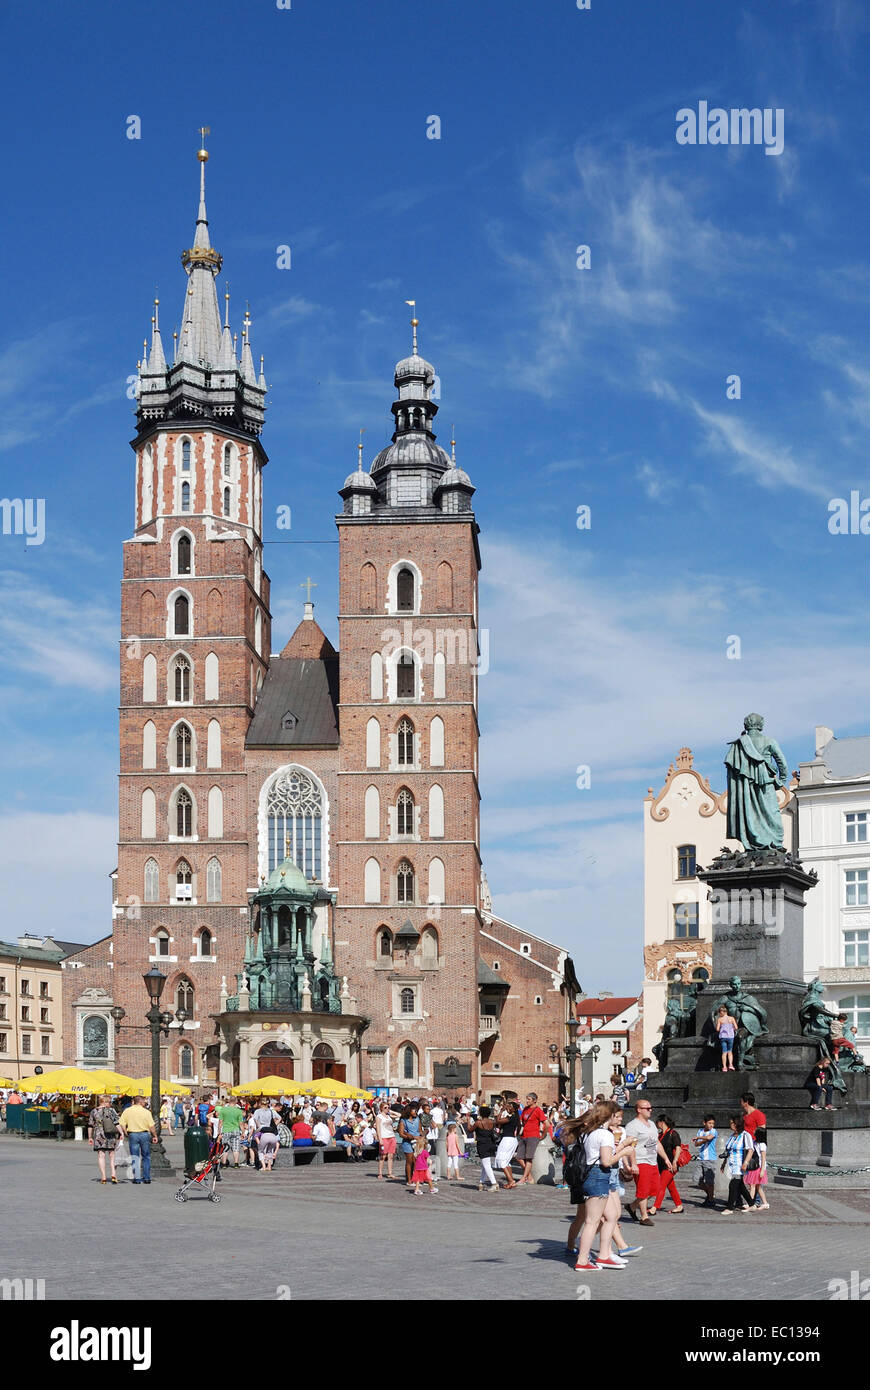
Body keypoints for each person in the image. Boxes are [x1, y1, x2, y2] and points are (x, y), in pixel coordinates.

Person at [567, 1101, 639, 1272]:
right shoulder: (605, 1134)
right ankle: (582, 1260)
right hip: (598, 1175)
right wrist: (624, 1152)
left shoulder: (592, 1132)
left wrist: (621, 1147)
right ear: (610, 1115)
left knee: (612, 1215)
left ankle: (604, 1255)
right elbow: (606, 1161)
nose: (618, 1119)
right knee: (592, 1221)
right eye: (616, 1115)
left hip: (595, 1176)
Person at [624, 1097, 671, 1226]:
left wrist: (666, 1158)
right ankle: (644, 1217)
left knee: (654, 1190)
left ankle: (632, 1206)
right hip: (640, 1160)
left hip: (652, 1161)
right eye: (647, 1108)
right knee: (643, 1190)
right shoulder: (632, 1126)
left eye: (651, 1108)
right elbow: (630, 1146)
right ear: (639, 1110)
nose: (650, 1110)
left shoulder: (652, 1125)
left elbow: (656, 1143)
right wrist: (633, 1163)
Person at [118, 1098, 158, 1185]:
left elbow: (122, 1123)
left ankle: (137, 1178)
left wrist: (125, 1132)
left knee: (135, 1156)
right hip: (144, 1134)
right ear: (140, 1102)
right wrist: (155, 1135)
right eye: (144, 1102)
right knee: (146, 1156)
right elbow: (151, 1126)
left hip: (133, 1134)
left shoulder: (127, 1111)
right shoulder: (146, 1112)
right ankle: (147, 1178)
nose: (145, 1103)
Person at [721, 1115, 754, 1213]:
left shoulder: (745, 1135)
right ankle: (752, 1204)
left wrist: (745, 1163)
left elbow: (750, 1150)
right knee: (740, 1186)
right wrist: (724, 1163)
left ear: (737, 1124)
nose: (730, 1124)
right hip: (731, 1164)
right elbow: (728, 1151)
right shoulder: (732, 1136)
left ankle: (729, 1207)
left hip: (739, 1165)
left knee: (733, 1185)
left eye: (732, 1123)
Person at [652, 1114, 684, 1214]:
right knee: (671, 1186)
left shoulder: (673, 1133)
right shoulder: (660, 1135)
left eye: (657, 1122)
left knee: (661, 1185)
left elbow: (678, 1147)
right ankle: (679, 1206)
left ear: (662, 1122)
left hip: (670, 1164)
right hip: (661, 1164)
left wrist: (675, 1161)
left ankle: (655, 1207)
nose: (656, 1124)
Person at [88, 1094, 122, 1185]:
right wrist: (121, 1133)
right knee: (112, 1155)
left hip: (99, 1135)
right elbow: (117, 1123)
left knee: (101, 1155)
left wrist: (90, 1137)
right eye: (109, 1102)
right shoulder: (111, 1111)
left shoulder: (94, 1111)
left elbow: (90, 1125)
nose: (110, 1104)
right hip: (110, 1134)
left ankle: (103, 1177)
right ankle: (113, 1174)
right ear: (105, 1102)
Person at [517, 1092, 547, 1184]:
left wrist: (543, 1135)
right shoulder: (525, 1109)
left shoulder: (538, 1110)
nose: (527, 1101)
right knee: (519, 1157)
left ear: (534, 1100)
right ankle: (529, 1177)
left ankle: (523, 1178)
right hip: (523, 1136)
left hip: (533, 1136)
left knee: (528, 1158)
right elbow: (521, 1120)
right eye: (527, 1099)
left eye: (529, 1099)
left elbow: (547, 1124)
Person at [469, 1106, 499, 1190]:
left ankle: (494, 1183)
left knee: (486, 1165)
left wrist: (468, 1121)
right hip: (490, 1143)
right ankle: (481, 1182)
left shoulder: (478, 1123)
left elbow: (470, 1130)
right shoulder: (492, 1122)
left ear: (481, 1113)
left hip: (482, 1144)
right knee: (485, 1164)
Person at [494, 1098, 520, 1188]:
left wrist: (501, 1110)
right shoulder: (515, 1117)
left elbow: (498, 1120)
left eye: (510, 1106)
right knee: (506, 1161)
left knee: (501, 1160)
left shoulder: (511, 1117)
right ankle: (511, 1181)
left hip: (507, 1139)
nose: (508, 1107)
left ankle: (511, 1180)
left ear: (514, 1109)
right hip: (512, 1139)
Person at [693, 1114, 719, 1208]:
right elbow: (696, 1144)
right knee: (697, 1179)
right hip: (701, 1158)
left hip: (710, 1159)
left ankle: (711, 1200)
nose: (711, 1125)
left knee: (709, 1181)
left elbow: (709, 1138)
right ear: (704, 1123)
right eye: (709, 1123)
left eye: (713, 1123)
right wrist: (701, 1140)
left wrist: (699, 1138)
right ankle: (710, 1195)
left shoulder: (713, 1131)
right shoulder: (700, 1131)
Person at [744, 1125, 769, 1210]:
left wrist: (762, 1170)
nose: (754, 1131)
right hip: (755, 1166)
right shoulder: (755, 1142)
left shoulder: (762, 1145)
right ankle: (765, 1203)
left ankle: (750, 1203)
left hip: (759, 1167)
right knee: (757, 1187)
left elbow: (763, 1158)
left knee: (752, 1185)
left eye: (755, 1130)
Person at [398, 1104, 423, 1185]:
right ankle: (409, 1180)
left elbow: (420, 1130)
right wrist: (409, 1136)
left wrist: (422, 1135)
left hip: (417, 1142)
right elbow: (401, 1133)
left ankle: (416, 1179)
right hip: (407, 1142)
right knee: (410, 1161)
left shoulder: (417, 1119)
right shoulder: (403, 1120)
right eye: (414, 1110)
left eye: (416, 1110)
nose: (416, 1112)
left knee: (416, 1161)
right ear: (409, 1111)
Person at [217, 1098, 244, 1167]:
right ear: (236, 1102)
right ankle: (236, 1164)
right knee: (236, 1148)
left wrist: (219, 1132)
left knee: (225, 1148)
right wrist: (243, 1132)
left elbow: (220, 1122)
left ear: (229, 1101)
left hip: (226, 1130)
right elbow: (241, 1123)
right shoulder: (239, 1111)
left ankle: (224, 1164)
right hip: (236, 1130)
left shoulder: (223, 1110)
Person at [375, 1102, 397, 1180]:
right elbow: (378, 1128)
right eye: (385, 1107)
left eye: (388, 1107)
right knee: (383, 1156)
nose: (387, 1109)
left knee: (391, 1156)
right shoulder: (379, 1116)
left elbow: (399, 1115)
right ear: (381, 1108)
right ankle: (380, 1173)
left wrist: (391, 1111)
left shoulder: (389, 1116)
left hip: (391, 1136)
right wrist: (380, 1139)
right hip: (384, 1137)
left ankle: (390, 1173)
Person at [715, 1004, 738, 1073]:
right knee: (730, 1052)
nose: (719, 1014)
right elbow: (736, 1027)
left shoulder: (720, 1019)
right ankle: (730, 1065)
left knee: (724, 1052)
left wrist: (723, 1028)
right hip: (730, 1037)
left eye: (720, 1012)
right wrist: (731, 1028)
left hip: (723, 1037)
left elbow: (717, 1029)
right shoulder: (732, 1018)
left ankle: (724, 1067)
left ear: (722, 1012)